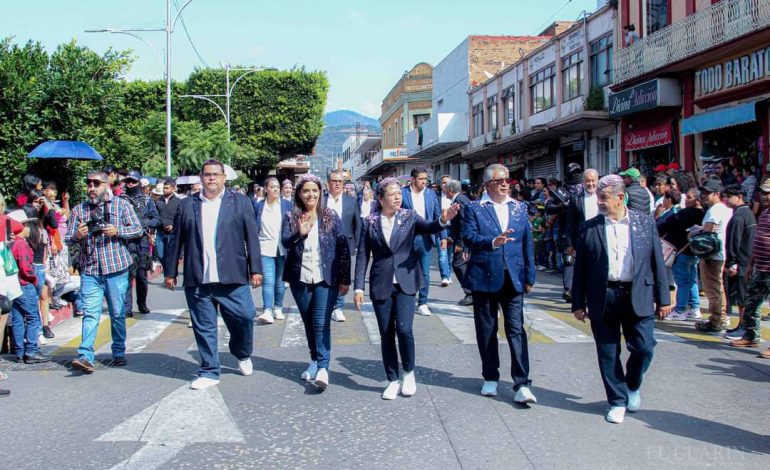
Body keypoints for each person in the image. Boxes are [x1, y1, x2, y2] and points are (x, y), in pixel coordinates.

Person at [571, 175, 671, 424]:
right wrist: (577, 303)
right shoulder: (589, 227)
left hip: (638, 294)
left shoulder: (644, 223)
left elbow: (658, 262)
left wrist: (664, 297)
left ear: (620, 197)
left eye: (603, 198)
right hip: (602, 296)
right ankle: (616, 400)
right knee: (608, 352)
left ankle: (632, 384)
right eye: (597, 198)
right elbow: (580, 268)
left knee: (644, 347)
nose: (599, 202)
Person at [354, 177, 459, 399]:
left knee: (404, 329)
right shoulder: (370, 221)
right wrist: (358, 288)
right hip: (381, 282)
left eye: (399, 194)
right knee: (386, 333)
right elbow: (363, 256)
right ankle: (392, 379)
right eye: (392, 194)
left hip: (406, 281)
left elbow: (429, 226)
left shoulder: (409, 216)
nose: (397, 197)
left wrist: (442, 220)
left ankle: (409, 372)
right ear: (380, 199)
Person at [164, 160, 263, 390]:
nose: (211, 179)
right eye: (207, 175)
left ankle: (242, 352)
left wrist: (255, 269)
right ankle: (209, 370)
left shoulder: (239, 202)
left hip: (233, 275)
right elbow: (176, 239)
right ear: (201, 178)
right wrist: (170, 272)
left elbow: (252, 238)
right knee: (204, 326)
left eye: (216, 175)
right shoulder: (187, 205)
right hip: (198, 277)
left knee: (245, 316)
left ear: (224, 178)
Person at [461, 164, 537, 405]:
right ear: (487, 185)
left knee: (516, 329)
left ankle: (522, 383)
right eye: (499, 181)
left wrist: (530, 276)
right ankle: (490, 376)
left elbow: (527, 243)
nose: (505, 184)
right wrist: (493, 241)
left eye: (507, 180)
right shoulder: (475, 208)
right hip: (484, 277)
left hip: (513, 278)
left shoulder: (519, 208)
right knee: (487, 330)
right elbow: (469, 237)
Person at [67, 170, 143, 373]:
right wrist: (77, 235)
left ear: (106, 185)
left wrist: (118, 231)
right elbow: (67, 238)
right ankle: (85, 356)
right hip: (90, 269)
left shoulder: (121, 205)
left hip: (116, 268)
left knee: (117, 313)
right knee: (90, 313)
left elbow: (138, 229)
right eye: (89, 184)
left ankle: (118, 351)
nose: (91, 188)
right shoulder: (79, 210)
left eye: (96, 184)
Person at [282, 174, 351, 391]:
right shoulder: (291, 216)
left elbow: (343, 247)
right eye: (306, 191)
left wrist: (344, 278)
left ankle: (323, 367)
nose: (310, 194)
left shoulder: (330, 215)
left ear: (320, 192)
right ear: (299, 194)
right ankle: (314, 360)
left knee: (321, 322)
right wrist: (299, 234)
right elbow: (285, 241)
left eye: (314, 190)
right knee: (308, 321)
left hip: (326, 277)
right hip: (299, 278)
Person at [730, 178, 770, 355]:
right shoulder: (764, 213)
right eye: (763, 193)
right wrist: (749, 265)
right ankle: (750, 336)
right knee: (751, 302)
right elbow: (758, 239)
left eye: (768, 193)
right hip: (760, 267)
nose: (764, 196)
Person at [7, 209, 50, 364]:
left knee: (18, 318)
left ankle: (19, 351)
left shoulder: (10, 244)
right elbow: (26, 268)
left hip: (13, 285)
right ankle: (31, 351)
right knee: (33, 317)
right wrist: (34, 280)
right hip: (25, 285)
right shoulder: (21, 245)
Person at [401, 167, 445, 316]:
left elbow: (438, 216)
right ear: (413, 179)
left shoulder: (431, 194)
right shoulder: (403, 193)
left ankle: (423, 302)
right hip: (407, 238)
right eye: (421, 179)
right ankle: (407, 299)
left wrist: (443, 236)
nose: (424, 182)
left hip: (425, 238)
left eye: (425, 179)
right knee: (406, 270)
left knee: (425, 273)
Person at [656, 188, 706, 321]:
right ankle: (694, 308)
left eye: (689, 197)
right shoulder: (703, 214)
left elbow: (665, 224)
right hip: (693, 251)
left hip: (682, 251)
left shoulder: (685, 213)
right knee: (692, 281)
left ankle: (681, 309)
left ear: (697, 200)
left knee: (682, 281)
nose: (686, 200)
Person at [695, 179, 733, 333]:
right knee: (717, 287)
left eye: (707, 193)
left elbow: (708, 231)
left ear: (717, 194)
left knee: (713, 289)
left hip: (712, 255)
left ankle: (718, 319)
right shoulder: (723, 209)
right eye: (703, 193)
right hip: (717, 253)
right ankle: (719, 317)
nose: (704, 196)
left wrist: (697, 231)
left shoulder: (715, 210)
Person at [121, 170, 161, 316]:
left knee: (141, 276)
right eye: (128, 181)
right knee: (128, 275)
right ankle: (127, 308)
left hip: (142, 242)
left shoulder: (146, 200)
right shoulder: (121, 200)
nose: (130, 184)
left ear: (139, 183)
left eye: (133, 181)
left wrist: (145, 223)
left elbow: (157, 219)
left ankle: (142, 304)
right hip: (127, 242)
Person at [253, 177, 292, 325]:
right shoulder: (258, 206)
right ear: (266, 189)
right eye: (272, 187)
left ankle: (278, 307)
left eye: (277, 187)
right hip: (264, 247)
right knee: (268, 281)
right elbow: (254, 226)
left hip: (282, 248)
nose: (276, 189)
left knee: (280, 281)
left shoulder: (287, 205)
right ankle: (267, 310)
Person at [324, 170, 361, 322]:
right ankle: (327, 304)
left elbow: (357, 224)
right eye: (334, 181)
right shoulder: (322, 200)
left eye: (340, 181)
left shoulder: (351, 201)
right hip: (325, 244)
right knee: (327, 275)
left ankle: (338, 307)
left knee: (343, 276)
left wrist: (359, 245)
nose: (337, 183)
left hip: (345, 244)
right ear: (328, 183)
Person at [721, 184, 756, 341]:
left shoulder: (739, 216)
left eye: (729, 196)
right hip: (747, 261)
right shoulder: (747, 213)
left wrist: (731, 263)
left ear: (739, 197)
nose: (726, 200)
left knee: (742, 297)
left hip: (741, 262)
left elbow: (734, 243)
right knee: (742, 297)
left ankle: (743, 326)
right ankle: (741, 325)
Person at [445, 179, 473, 306]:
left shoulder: (460, 200)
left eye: (445, 188)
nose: (444, 191)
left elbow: (464, 223)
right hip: (460, 238)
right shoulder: (459, 199)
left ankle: (471, 292)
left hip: (465, 240)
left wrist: (460, 244)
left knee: (458, 264)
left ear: (450, 190)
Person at [154, 178, 181, 270]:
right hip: (160, 232)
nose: (165, 190)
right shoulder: (158, 201)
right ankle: (167, 271)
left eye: (167, 188)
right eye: (164, 188)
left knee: (170, 255)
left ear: (173, 189)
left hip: (172, 233)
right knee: (161, 255)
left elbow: (180, 217)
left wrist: (173, 225)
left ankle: (170, 273)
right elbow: (154, 216)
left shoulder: (178, 202)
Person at [437, 175, 454, 287]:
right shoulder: (436, 197)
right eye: (443, 182)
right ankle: (445, 276)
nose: (445, 184)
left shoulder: (455, 197)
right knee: (442, 253)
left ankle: (448, 273)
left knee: (450, 255)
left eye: (447, 182)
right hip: (441, 228)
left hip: (452, 229)